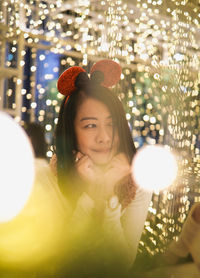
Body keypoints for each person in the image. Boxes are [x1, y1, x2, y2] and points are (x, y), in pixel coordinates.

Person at [50, 59, 152, 272]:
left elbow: (123, 263)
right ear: (71, 132)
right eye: (90, 125)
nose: (104, 137)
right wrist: (88, 196)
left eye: (111, 124)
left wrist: (108, 199)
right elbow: (60, 255)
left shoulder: (136, 179)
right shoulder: (56, 171)